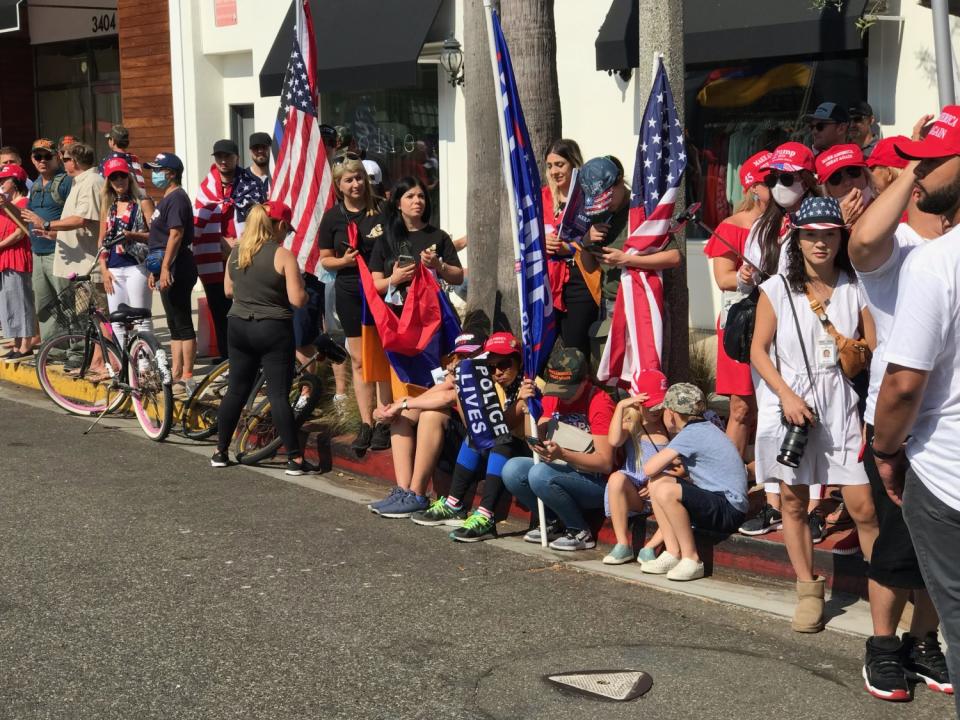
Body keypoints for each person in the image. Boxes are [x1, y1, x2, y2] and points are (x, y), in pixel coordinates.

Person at [848, 122, 952, 702]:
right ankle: (883, 647)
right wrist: (919, 166)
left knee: (943, 546)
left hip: (949, 424)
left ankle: (923, 642)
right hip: (897, 421)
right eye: (907, 162)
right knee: (895, 546)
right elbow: (861, 242)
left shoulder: (948, 241)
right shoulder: (898, 248)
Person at [750, 195, 879, 634]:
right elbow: (758, 350)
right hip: (793, 404)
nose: (820, 243)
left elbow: (874, 348)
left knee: (862, 504)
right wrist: (785, 395)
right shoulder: (776, 288)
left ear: (840, 238)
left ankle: (885, 588)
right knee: (793, 499)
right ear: (798, 239)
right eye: (811, 235)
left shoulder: (855, 285)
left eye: (829, 234)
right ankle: (807, 590)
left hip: (841, 401)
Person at [872, 110, 960, 713]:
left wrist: (883, 450)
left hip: (947, 475)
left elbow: (904, 384)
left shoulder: (936, 261)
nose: (919, 168)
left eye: (933, 158)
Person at [212, 202, 316, 475]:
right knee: (278, 393)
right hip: (272, 328)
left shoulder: (236, 252)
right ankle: (294, 458)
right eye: (287, 229)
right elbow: (296, 299)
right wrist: (305, 293)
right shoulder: (282, 255)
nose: (287, 235)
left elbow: (227, 291)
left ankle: (220, 451)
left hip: (238, 325)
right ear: (280, 226)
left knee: (236, 390)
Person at [408, 332, 533, 542]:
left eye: (504, 364)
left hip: (527, 452)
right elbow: (474, 426)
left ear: (518, 361)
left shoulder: (530, 384)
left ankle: (486, 517)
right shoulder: (492, 384)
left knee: (501, 441)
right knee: (475, 437)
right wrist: (462, 388)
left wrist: (522, 405)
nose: (498, 372)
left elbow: (506, 427)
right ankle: (454, 504)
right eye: (492, 367)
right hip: (501, 451)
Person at [501, 347, 616, 551]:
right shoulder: (554, 395)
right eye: (559, 388)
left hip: (595, 482)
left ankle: (580, 531)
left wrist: (563, 454)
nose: (563, 396)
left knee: (539, 473)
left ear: (585, 380)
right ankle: (552, 522)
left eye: (569, 390)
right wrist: (528, 408)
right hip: (561, 469)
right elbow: (536, 439)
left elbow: (605, 463)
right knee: (513, 469)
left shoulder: (599, 402)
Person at [637, 384, 749, 581]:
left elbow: (649, 468)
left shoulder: (691, 434)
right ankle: (672, 552)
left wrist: (671, 457)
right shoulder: (704, 427)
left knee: (665, 490)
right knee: (658, 483)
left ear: (671, 414)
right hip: (725, 503)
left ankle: (691, 558)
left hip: (728, 508)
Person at [318, 157, 392, 454]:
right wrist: (344, 261)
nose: (356, 184)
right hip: (349, 291)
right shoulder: (332, 218)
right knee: (360, 360)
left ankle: (384, 418)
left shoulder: (383, 210)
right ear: (339, 186)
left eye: (359, 178)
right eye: (349, 180)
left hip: (381, 291)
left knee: (382, 357)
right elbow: (325, 258)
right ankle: (366, 422)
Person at [704, 151, 770, 467]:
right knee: (741, 406)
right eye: (769, 180)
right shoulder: (732, 226)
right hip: (742, 324)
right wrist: (749, 276)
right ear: (752, 187)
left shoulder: (788, 222)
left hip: (778, 321)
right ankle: (730, 478)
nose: (779, 186)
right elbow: (723, 278)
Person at [368, 335, 476, 518]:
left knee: (430, 414)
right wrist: (396, 407)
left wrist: (403, 405)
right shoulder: (455, 375)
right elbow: (433, 394)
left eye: (467, 357)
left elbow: (447, 398)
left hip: (475, 445)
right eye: (459, 357)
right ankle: (404, 491)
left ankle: (418, 495)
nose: (460, 362)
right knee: (403, 414)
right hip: (458, 439)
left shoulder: (482, 374)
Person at [193, 139, 266, 361]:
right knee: (219, 308)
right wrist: (221, 241)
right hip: (214, 256)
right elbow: (198, 220)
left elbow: (260, 217)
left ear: (237, 158)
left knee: (247, 308)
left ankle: (251, 357)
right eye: (219, 157)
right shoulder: (206, 188)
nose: (223, 161)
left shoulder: (251, 184)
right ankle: (228, 358)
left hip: (245, 252)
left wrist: (242, 242)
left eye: (228, 156)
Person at [23, 143, 105, 304]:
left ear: (75, 161)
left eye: (65, 159)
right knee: (89, 319)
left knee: (100, 316)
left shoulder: (92, 182)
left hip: (89, 265)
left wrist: (46, 224)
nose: (62, 161)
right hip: (80, 267)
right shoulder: (79, 181)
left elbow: (81, 219)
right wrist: (55, 234)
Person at [602, 369, 670, 564]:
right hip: (635, 492)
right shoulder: (632, 422)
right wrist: (621, 407)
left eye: (661, 404)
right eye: (651, 405)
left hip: (660, 488)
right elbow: (614, 440)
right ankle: (623, 544)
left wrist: (655, 485)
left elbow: (679, 462)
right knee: (616, 478)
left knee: (675, 501)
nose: (657, 409)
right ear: (638, 402)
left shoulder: (668, 422)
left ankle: (650, 547)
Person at [143, 152, 198, 389]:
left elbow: (176, 234)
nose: (154, 174)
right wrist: (154, 270)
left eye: (158, 170)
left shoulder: (177, 198)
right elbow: (159, 237)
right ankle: (175, 371)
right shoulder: (166, 198)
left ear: (171, 173)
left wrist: (165, 268)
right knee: (173, 322)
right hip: (164, 264)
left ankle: (187, 373)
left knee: (182, 320)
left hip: (178, 265)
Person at [542, 139, 599, 358]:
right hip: (548, 282)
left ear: (574, 164)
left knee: (576, 349)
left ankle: (582, 390)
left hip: (579, 279)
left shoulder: (587, 198)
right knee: (543, 350)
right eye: (550, 166)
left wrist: (572, 246)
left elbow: (597, 236)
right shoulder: (542, 197)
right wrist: (542, 242)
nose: (554, 171)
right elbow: (526, 236)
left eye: (560, 164)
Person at [97, 156, 155, 347]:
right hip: (113, 268)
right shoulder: (108, 206)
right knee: (117, 321)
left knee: (142, 318)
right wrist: (104, 270)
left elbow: (153, 236)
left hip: (136, 266)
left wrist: (132, 235)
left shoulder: (142, 202)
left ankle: (145, 366)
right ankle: (124, 366)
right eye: (114, 177)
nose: (119, 181)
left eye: (122, 176)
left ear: (129, 177)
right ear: (109, 182)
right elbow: (102, 240)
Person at [23, 139, 72, 344]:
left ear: (57, 157)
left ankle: (77, 350)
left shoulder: (66, 182)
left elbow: (77, 217)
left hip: (59, 251)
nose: (42, 160)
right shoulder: (34, 185)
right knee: (44, 305)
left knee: (68, 302)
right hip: (38, 252)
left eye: (47, 156)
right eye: (38, 156)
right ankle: (54, 348)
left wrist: (47, 224)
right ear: (32, 160)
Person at [0, 164, 37, 361]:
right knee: (7, 302)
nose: (1, 184)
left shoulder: (23, 202)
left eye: (3, 180)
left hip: (16, 254)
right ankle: (14, 342)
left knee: (20, 300)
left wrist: (1, 245)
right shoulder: (4, 203)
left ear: (15, 182)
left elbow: (20, 231)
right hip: (3, 256)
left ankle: (26, 344)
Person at [816, 144, 875, 226]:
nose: (847, 182)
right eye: (836, 178)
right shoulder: (820, 226)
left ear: (865, 174)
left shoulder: (890, 206)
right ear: (827, 190)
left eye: (853, 171)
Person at [100, 124, 144, 189]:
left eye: (109, 139)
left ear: (113, 141)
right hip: (139, 196)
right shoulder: (134, 158)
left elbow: (102, 184)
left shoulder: (108, 161)